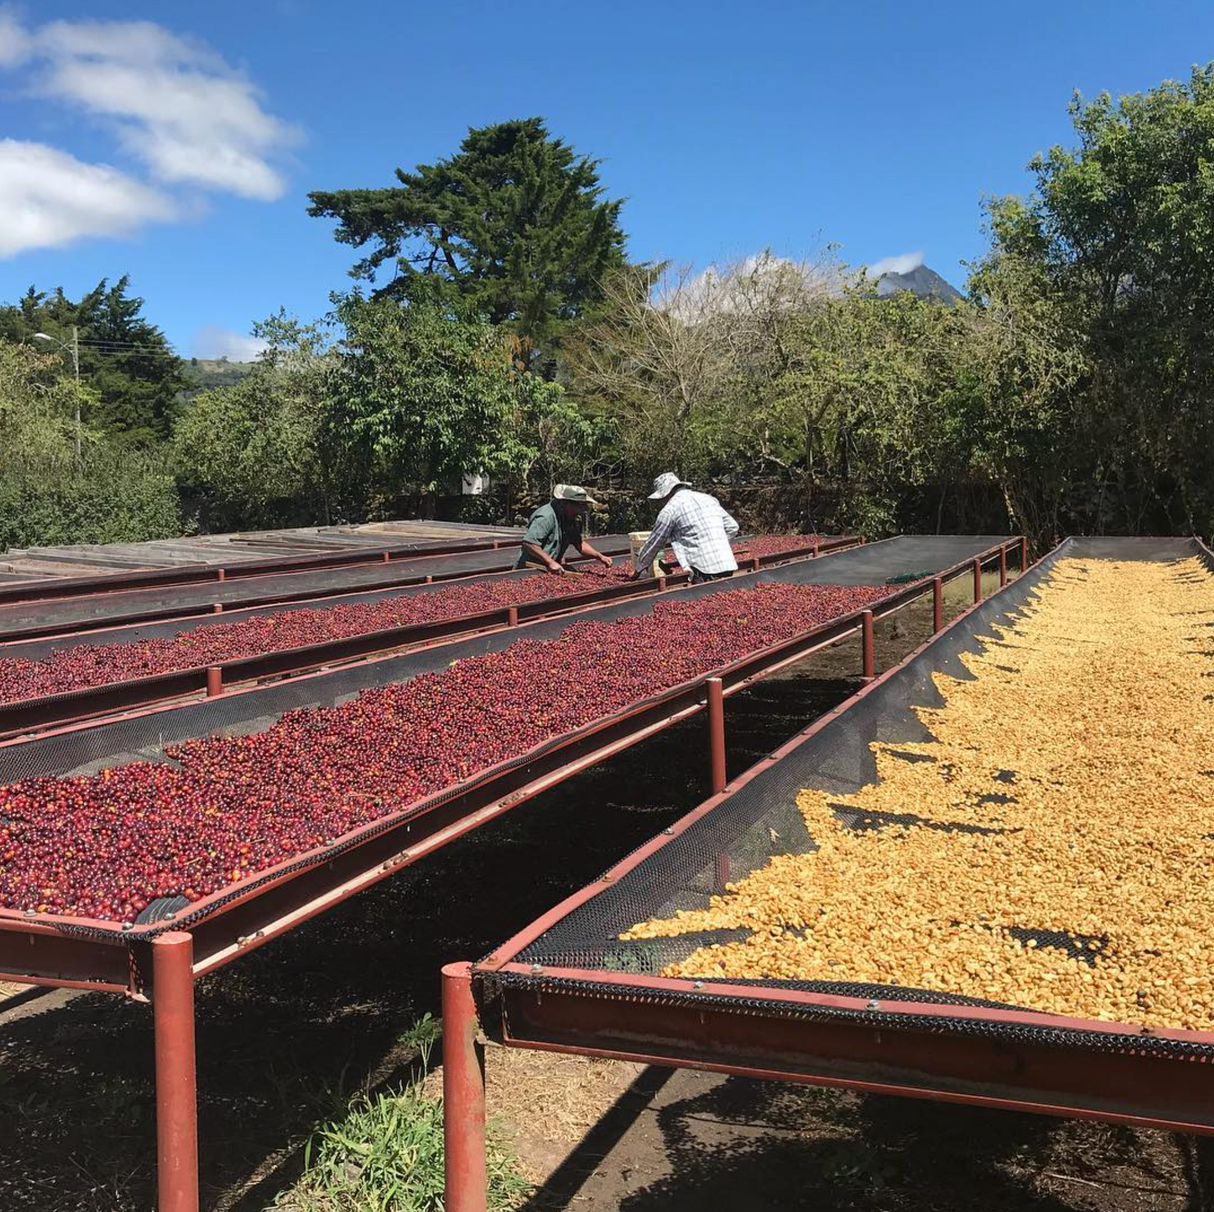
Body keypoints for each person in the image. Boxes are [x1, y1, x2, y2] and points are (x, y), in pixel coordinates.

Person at [631, 473, 740, 583]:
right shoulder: (708, 499)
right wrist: (719, 545)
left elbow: (655, 542)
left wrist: (638, 568)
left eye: (661, 499)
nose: (661, 502)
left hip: (703, 569)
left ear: (666, 494)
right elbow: (733, 527)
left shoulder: (670, 510)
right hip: (727, 563)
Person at [517, 484, 614, 574]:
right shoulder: (546, 516)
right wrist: (550, 562)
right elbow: (529, 543)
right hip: (530, 570)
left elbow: (579, 544)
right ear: (567, 504)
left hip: (550, 570)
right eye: (580, 506)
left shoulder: (570, 518)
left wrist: (600, 556)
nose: (582, 510)